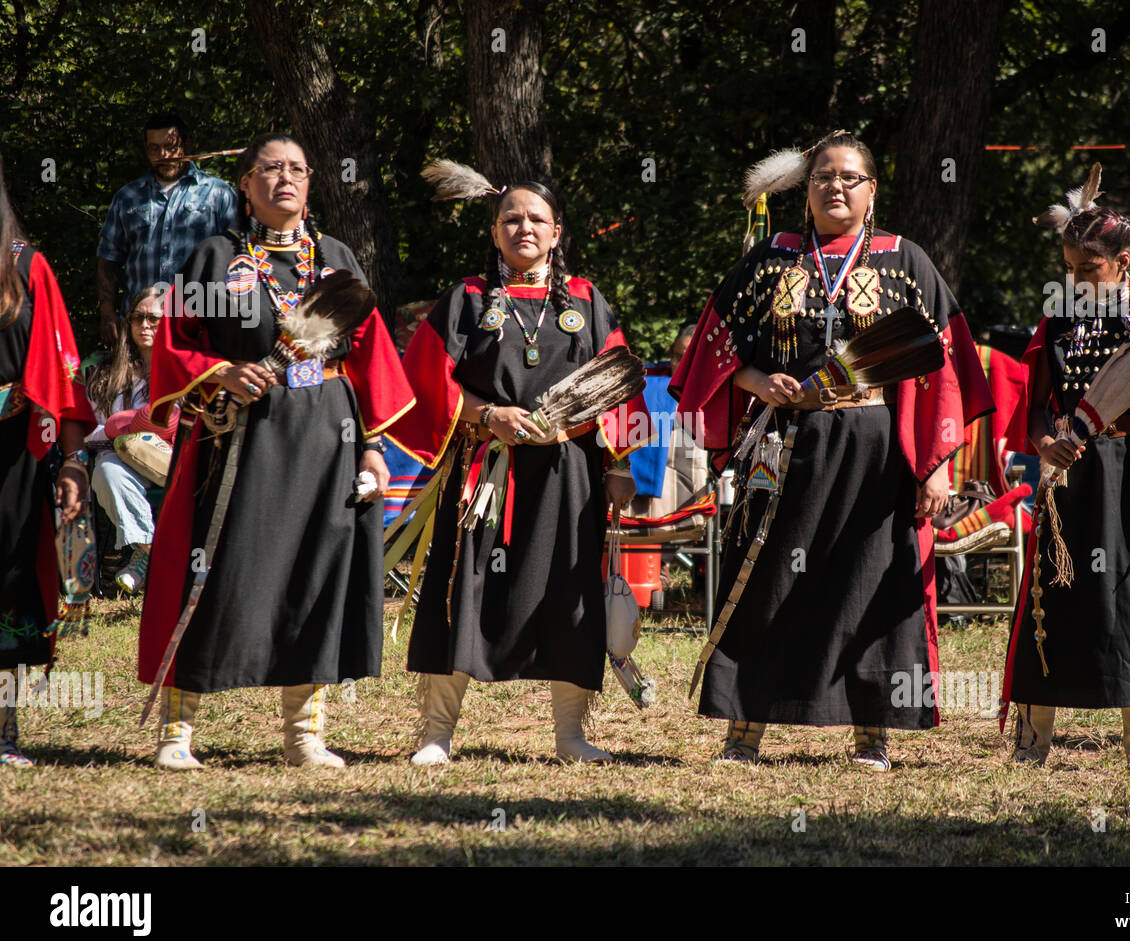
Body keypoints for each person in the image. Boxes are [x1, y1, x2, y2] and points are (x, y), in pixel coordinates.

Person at [669, 131, 994, 769]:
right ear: (806, 189)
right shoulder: (772, 259)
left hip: (877, 451)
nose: (835, 187)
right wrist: (757, 380)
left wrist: (937, 463)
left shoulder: (906, 261)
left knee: (870, 581)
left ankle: (871, 728)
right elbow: (710, 347)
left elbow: (946, 366)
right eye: (822, 176)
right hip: (785, 444)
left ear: (873, 191)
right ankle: (746, 726)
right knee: (763, 577)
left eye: (849, 177)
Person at [137, 132, 414, 771]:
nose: (284, 178)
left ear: (311, 181)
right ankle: (178, 734)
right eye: (269, 169)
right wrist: (218, 372)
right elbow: (173, 345)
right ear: (246, 184)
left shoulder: (336, 258)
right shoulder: (212, 258)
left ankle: (303, 736)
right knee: (219, 569)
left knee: (315, 573)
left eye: (297, 168)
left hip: (326, 432)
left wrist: (370, 448)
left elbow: (368, 354)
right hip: (241, 435)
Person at [390, 166, 644, 764]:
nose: (523, 226)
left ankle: (570, 736)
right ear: (495, 230)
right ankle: (436, 735)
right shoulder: (467, 299)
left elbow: (619, 383)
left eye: (536, 219)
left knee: (569, 595)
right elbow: (426, 381)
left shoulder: (585, 299)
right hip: (485, 471)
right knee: (463, 588)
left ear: (557, 233)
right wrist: (487, 416)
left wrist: (621, 464)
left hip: (569, 473)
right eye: (511, 218)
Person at [1000, 166, 1130, 774]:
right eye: (1069, 269)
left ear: (1123, 262)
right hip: (1068, 474)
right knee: (1054, 596)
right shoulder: (1058, 320)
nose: (1076, 280)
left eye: (1088, 269)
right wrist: (1046, 442)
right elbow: (1035, 401)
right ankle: (1034, 738)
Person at [0, 155, 96, 768]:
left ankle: (3, 733)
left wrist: (73, 463)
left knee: (7, 581)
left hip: (12, 459)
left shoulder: (27, 267)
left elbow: (61, 374)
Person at [97, 113, 238, 343]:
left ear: (187, 145)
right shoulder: (127, 197)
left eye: (170, 146)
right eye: (154, 148)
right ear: (146, 149)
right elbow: (108, 260)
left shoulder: (218, 194)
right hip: (139, 329)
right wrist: (106, 312)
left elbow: (239, 260)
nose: (163, 155)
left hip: (198, 326)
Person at [88, 286, 175, 593]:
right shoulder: (107, 374)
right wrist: (122, 430)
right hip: (122, 462)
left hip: (173, 461)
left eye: (154, 318)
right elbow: (93, 432)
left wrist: (135, 426)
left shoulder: (184, 371)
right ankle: (148, 550)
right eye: (138, 317)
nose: (145, 325)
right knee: (107, 470)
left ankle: (144, 558)